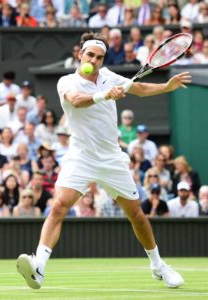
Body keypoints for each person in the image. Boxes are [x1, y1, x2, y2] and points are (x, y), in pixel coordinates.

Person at [17, 31, 191, 290]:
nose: (95, 60)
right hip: (81, 155)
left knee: (137, 215)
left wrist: (166, 87)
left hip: (111, 158)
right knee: (58, 207)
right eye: (90, 55)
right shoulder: (67, 81)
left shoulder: (110, 76)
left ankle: (158, 266)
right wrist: (105, 95)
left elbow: (140, 88)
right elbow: (76, 101)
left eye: (99, 57)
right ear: (80, 54)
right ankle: (39, 267)